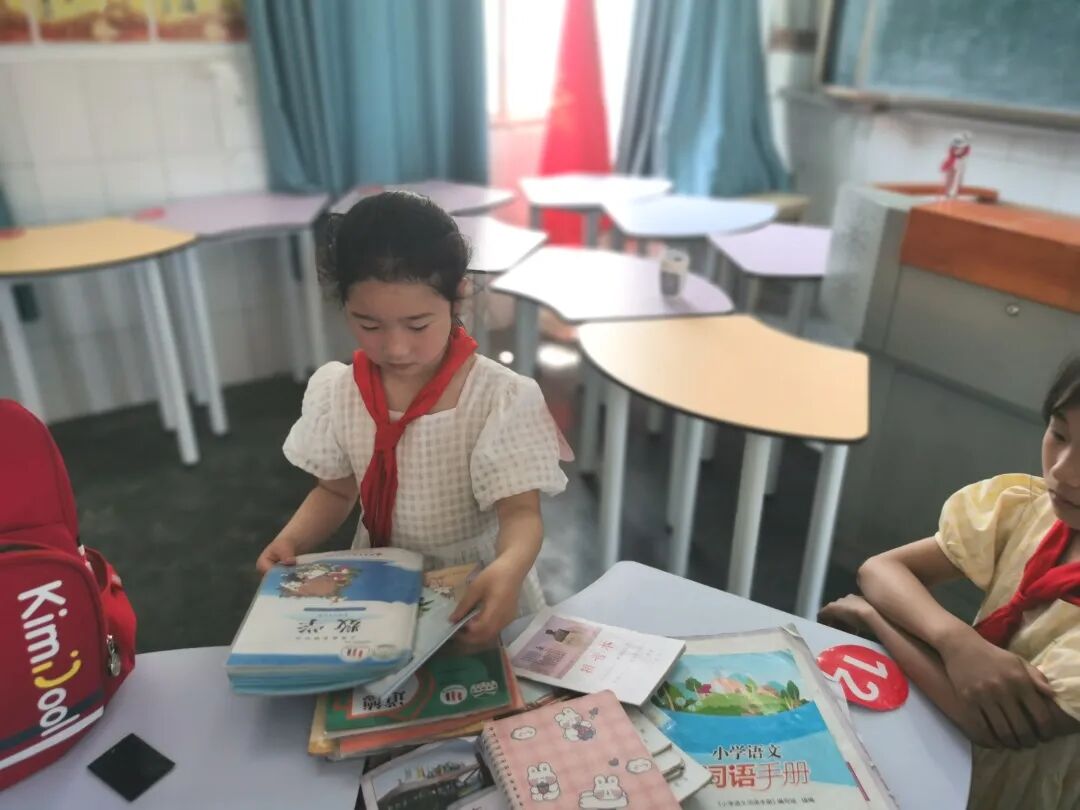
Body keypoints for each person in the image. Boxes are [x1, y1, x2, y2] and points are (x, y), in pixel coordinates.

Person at [257, 191, 569, 645]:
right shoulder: (341, 391)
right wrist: (292, 541)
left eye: (418, 325)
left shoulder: (497, 398)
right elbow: (335, 490)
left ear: (458, 297)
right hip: (381, 583)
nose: (396, 348)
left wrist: (509, 567)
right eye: (369, 325)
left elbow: (520, 512)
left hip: (475, 582)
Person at [820, 356, 1080, 809]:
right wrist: (957, 641)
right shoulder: (1031, 509)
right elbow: (880, 569)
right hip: (940, 751)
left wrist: (876, 619)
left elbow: (986, 724)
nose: (1062, 471)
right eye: (1059, 434)